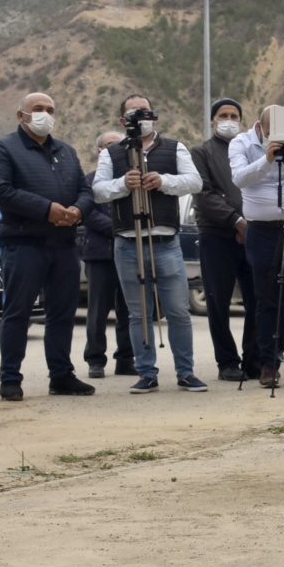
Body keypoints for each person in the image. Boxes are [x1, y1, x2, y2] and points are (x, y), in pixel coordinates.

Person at [93, 93, 207, 393]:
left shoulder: (174, 147)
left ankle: (185, 371)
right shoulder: (112, 153)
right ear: (122, 120)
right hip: (128, 242)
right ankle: (146, 371)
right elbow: (98, 191)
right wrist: (122, 185)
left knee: (178, 311)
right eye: (133, 113)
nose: (140, 117)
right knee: (137, 312)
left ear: (153, 115)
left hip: (165, 240)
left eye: (144, 112)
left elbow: (195, 182)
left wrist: (164, 181)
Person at [0, 92, 96, 401]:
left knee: (62, 313)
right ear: (21, 115)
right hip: (24, 244)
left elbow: (84, 190)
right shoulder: (3, 149)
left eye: (50, 109)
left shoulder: (67, 151)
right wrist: (47, 209)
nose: (45, 114)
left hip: (63, 244)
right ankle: (10, 378)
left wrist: (78, 210)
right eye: (38, 109)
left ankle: (61, 375)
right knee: (18, 312)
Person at [230, 107, 284, 389]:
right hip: (262, 231)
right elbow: (239, 178)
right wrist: (267, 159)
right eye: (271, 131)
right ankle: (269, 364)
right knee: (267, 300)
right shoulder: (241, 143)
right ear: (261, 127)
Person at [191, 97, 259, 382]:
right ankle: (227, 362)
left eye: (234, 115)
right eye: (223, 115)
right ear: (212, 120)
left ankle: (255, 361)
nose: (229, 120)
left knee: (257, 300)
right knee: (218, 302)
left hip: (255, 236)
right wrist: (237, 221)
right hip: (217, 236)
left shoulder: (250, 151)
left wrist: (251, 223)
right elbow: (203, 194)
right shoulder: (201, 153)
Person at [81, 131, 136, 380]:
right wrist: (118, 229)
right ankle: (95, 360)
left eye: (118, 146)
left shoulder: (133, 182)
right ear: (99, 151)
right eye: (108, 146)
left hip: (130, 253)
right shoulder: (89, 181)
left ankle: (126, 359)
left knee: (129, 309)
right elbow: (89, 214)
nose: (114, 150)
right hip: (100, 255)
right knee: (98, 311)